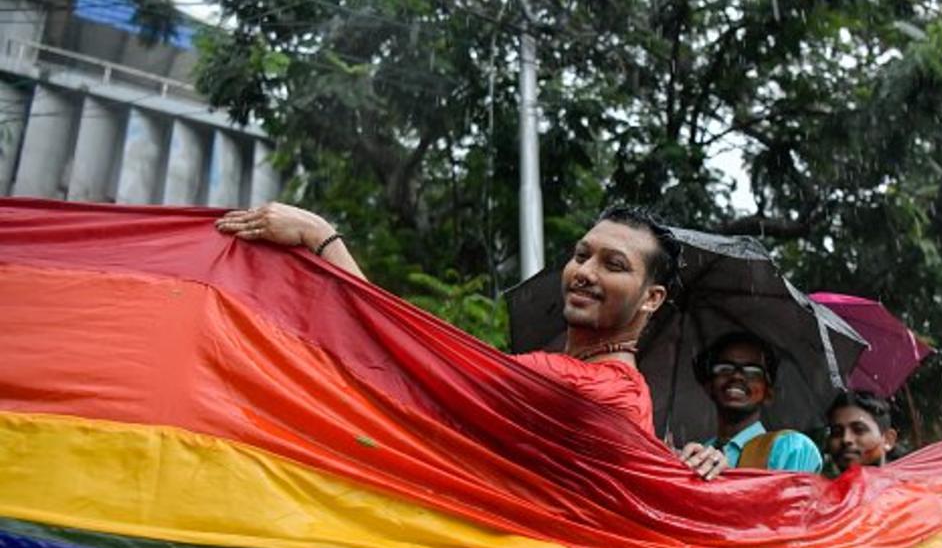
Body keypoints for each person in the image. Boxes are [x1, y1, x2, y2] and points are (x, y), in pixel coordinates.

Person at [214, 202, 677, 439]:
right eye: (581, 255)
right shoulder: (622, 389)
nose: (585, 273)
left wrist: (321, 238)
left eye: (614, 265)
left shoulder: (592, 388)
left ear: (651, 298)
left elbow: (413, 363)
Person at [677, 332, 824, 480]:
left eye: (753, 372)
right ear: (709, 386)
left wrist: (724, 481)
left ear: (769, 394)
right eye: (725, 369)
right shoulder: (697, 455)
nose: (737, 376)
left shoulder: (791, 448)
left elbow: (791, 502)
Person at [825, 390, 900, 473]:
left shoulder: (910, 484)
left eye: (859, 430)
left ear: (888, 440)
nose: (846, 439)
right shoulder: (815, 484)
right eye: (836, 432)